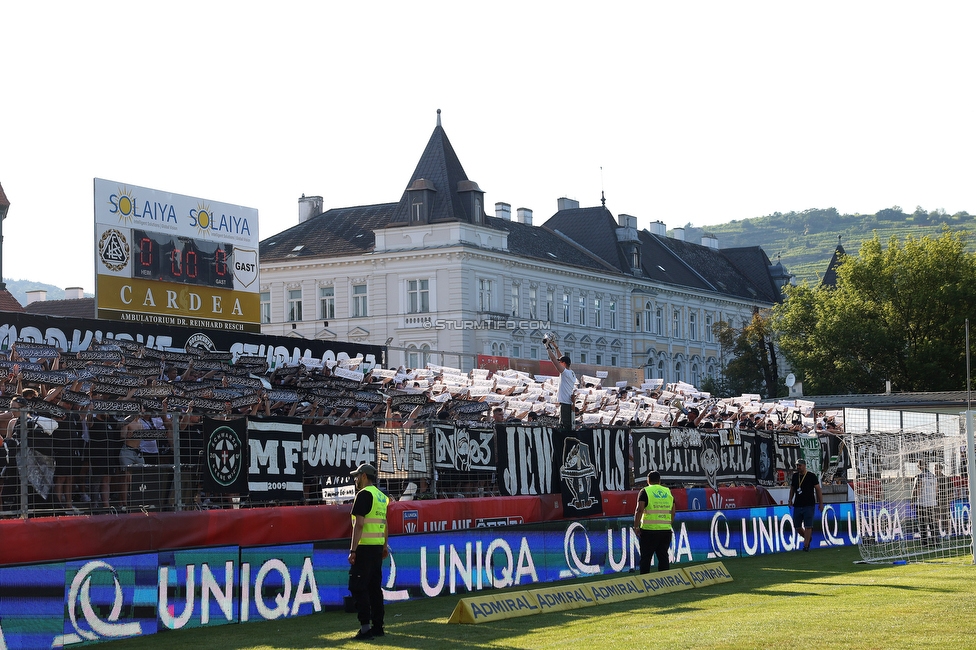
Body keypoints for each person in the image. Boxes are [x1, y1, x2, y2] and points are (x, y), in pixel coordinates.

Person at [347, 463, 389, 640]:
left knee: (357, 586)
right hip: (377, 548)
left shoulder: (363, 495)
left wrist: (353, 550)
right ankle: (378, 627)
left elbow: (359, 525)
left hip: (363, 548)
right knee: (374, 589)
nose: (356, 479)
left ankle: (365, 629)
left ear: (364, 476)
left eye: (357, 476)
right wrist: (385, 545)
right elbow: (385, 524)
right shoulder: (381, 497)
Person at [633, 470, 675, 573]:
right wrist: (668, 524)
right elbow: (673, 511)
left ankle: (645, 581)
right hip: (665, 530)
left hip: (649, 531)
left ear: (648, 481)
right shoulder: (667, 491)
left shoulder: (645, 491)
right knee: (663, 557)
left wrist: (636, 526)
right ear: (659, 481)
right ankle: (665, 581)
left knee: (646, 558)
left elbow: (639, 510)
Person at [789, 458, 823, 551]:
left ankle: (806, 545)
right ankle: (808, 538)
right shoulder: (795, 476)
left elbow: (818, 489)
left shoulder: (811, 476)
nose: (798, 467)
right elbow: (792, 488)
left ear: (804, 466)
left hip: (809, 504)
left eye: (800, 465)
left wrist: (821, 503)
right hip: (798, 504)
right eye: (797, 465)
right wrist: (790, 499)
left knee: (808, 526)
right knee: (797, 526)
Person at [545, 338, 576, 430]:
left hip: (565, 404)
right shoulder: (571, 372)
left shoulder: (565, 373)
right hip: (567, 403)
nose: (559, 363)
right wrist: (555, 346)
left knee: (564, 426)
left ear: (564, 363)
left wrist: (547, 346)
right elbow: (560, 358)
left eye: (560, 362)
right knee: (565, 424)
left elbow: (554, 360)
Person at [912, 463, 938, 545]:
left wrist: (913, 500)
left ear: (919, 467)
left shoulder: (920, 476)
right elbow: (936, 489)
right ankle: (936, 541)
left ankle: (924, 542)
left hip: (923, 503)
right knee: (932, 523)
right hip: (932, 503)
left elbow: (917, 489)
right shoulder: (933, 476)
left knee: (922, 523)